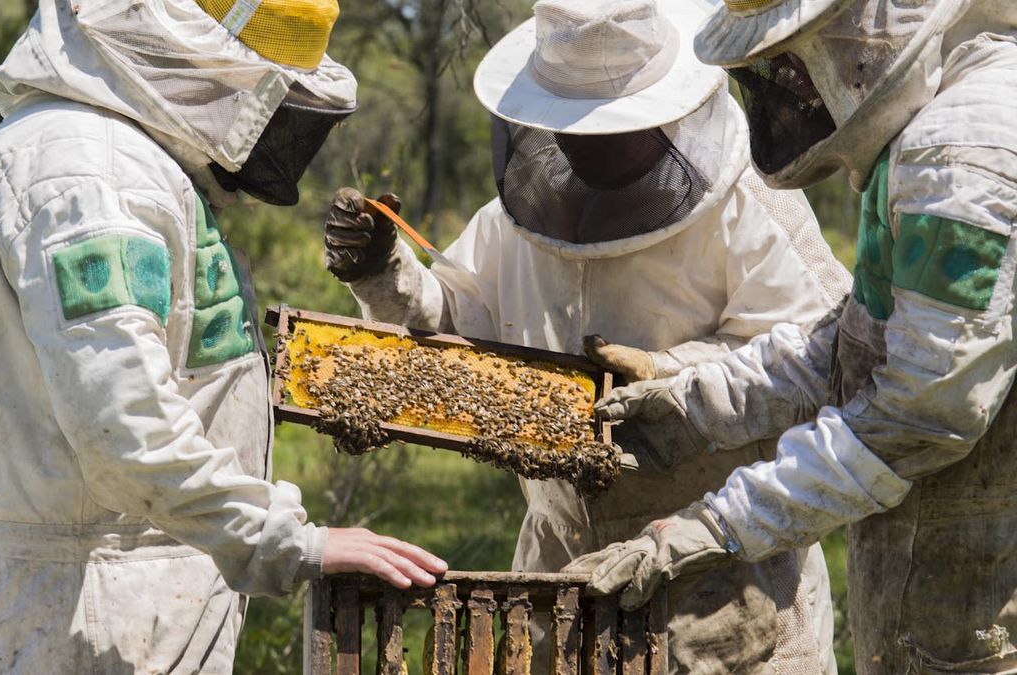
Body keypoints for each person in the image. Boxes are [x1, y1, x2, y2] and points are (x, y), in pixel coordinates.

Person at [0, 1, 446, 672]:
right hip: (87, 601)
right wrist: (287, 539)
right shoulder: (91, 176)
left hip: (95, 576)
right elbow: (124, 427)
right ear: (210, 67)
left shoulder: (97, 155)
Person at [323, 0, 848, 671]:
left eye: (608, 126)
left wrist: (670, 375)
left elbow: (824, 359)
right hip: (560, 572)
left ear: (666, 112)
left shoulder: (751, 208)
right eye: (566, 121)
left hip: (721, 571)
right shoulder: (518, 217)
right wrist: (384, 273)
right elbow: (454, 328)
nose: (582, 141)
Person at [566, 0, 1017, 672]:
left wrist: (714, 526)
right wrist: (694, 402)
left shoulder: (960, 156)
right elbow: (855, 341)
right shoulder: (932, 116)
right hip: (939, 604)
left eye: (788, 59)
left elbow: (920, 413)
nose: (787, 87)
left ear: (862, 25)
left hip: (984, 623)